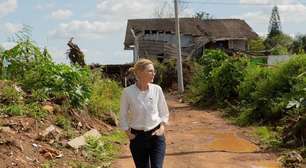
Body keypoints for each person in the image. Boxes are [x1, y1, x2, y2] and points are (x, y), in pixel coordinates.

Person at [119, 58, 169, 168]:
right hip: (137, 138)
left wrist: (162, 128)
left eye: (154, 71)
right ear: (140, 72)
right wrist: (129, 134)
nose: (154, 73)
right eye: (150, 71)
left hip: (156, 136)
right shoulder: (127, 92)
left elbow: (164, 112)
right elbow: (122, 115)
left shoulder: (157, 89)